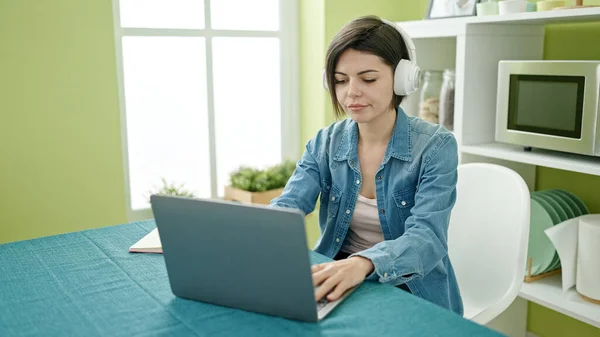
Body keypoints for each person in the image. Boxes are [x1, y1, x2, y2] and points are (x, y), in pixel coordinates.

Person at [269, 15, 463, 316]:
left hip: (408, 284)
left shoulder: (436, 146)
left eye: (368, 79)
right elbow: (289, 205)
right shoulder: (325, 143)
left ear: (402, 79)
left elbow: (427, 237)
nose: (351, 93)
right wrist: (226, 238)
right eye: (340, 80)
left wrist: (363, 263)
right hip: (342, 272)